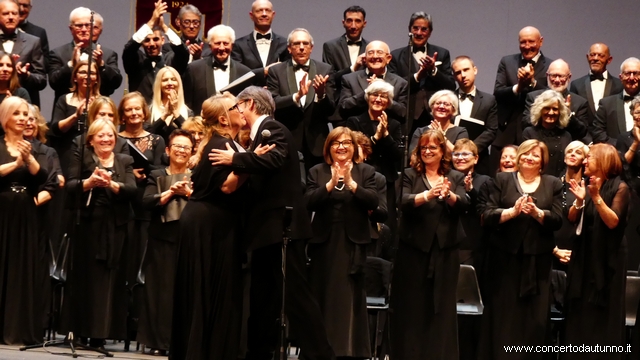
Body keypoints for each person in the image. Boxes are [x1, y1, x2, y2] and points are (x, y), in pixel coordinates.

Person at [208, 86, 335, 360]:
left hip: (283, 228)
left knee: (296, 297)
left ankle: (322, 355)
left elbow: (275, 160)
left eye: (237, 107)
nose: (235, 112)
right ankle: (259, 353)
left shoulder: (273, 129)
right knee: (262, 299)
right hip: (266, 232)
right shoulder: (255, 138)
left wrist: (236, 159)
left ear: (250, 104)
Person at [170, 93, 251, 360]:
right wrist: (251, 163)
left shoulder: (221, 143)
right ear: (222, 118)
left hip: (208, 221)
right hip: (208, 224)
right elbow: (227, 186)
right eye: (234, 107)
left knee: (203, 289)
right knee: (204, 289)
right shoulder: (220, 144)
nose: (241, 110)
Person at [479, 139, 563, 360]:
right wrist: (512, 212)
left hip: (538, 262)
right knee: (503, 314)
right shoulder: (502, 179)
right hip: (504, 258)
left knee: (534, 317)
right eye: (525, 153)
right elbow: (487, 215)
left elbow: (557, 220)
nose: (529, 157)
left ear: (542, 161)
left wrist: (536, 212)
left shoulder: (553, 183)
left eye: (535, 155)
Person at [390, 129, 468, 359]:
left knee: (442, 307)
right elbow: (401, 202)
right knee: (412, 305)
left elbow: (464, 203)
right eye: (423, 147)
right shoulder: (409, 175)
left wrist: (449, 195)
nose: (427, 151)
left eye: (433, 147)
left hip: (445, 250)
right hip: (413, 249)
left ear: (442, 151)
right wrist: (428, 195)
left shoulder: (455, 177)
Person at [59, 119, 135, 348]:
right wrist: (89, 183)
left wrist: (112, 185)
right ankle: (80, 332)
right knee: (84, 279)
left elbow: (132, 190)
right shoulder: (83, 158)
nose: (106, 139)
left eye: (110, 135)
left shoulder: (125, 160)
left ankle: (99, 334)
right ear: (90, 140)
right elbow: (70, 185)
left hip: (114, 228)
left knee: (107, 282)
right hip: (87, 226)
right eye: (100, 135)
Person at [305, 126, 377, 359]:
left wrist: (351, 184)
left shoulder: (365, 171)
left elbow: (374, 201)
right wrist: (330, 183)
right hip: (324, 243)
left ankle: (349, 350)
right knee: (322, 294)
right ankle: (320, 348)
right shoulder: (317, 171)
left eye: (346, 142)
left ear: (354, 147)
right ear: (329, 148)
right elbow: (308, 202)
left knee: (349, 298)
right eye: (336, 143)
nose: (341, 146)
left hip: (352, 243)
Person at [564, 143, 628, 359]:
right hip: (585, 256)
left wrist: (596, 197)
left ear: (603, 160)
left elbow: (613, 222)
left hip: (607, 260)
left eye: (589, 157)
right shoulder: (586, 184)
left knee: (602, 317)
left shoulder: (620, 188)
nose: (584, 161)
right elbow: (572, 219)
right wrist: (580, 201)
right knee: (579, 313)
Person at [139, 129, 194, 356]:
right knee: (159, 292)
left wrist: (189, 193)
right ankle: (158, 342)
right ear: (168, 150)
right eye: (177, 147)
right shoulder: (157, 174)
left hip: (188, 240)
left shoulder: (196, 175)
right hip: (161, 239)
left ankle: (182, 341)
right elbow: (146, 201)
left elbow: (204, 203)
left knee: (184, 292)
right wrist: (169, 193)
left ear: (192, 153)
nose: (181, 151)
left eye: (186, 148)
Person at [0, 96, 47, 344]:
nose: (22, 119)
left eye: (25, 115)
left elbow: (44, 178)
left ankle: (17, 330)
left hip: (25, 214)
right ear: (6, 117)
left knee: (20, 271)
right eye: (17, 114)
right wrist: (15, 163)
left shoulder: (31, 146)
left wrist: (28, 160)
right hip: (2, 211)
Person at [118, 92, 165, 296]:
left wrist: (143, 174)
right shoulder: (115, 139)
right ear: (122, 115)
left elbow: (162, 170)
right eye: (129, 109)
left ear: (144, 112)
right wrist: (128, 175)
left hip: (146, 204)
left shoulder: (157, 140)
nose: (134, 112)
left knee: (144, 261)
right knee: (124, 259)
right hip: (123, 205)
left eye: (137, 108)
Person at [267, 28, 335, 168]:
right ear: (289, 48)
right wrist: (296, 97)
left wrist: (321, 95)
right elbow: (272, 103)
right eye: (297, 44)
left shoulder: (325, 70)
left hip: (317, 143)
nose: (302, 48)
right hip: (286, 140)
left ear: (311, 47)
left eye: (306, 43)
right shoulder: (276, 71)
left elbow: (331, 110)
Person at [23, 103, 63, 331]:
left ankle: (32, 323)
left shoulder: (48, 152)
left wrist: (31, 204)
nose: (28, 122)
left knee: (34, 270)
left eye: (32, 118)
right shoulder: (5, 146)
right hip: (10, 216)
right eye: (23, 117)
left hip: (36, 218)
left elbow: (54, 183)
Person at [346, 80, 401, 235]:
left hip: (386, 181)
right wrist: (376, 137)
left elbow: (398, 157)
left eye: (383, 96)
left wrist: (387, 136)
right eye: (374, 95)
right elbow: (354, 152)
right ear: (367, 97)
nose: (378, 99)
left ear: (389, 102)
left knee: (384, 223)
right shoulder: (354, 121)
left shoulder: (395, 124)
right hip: (360, 177)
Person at [492, 26, 553, 169]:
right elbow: (498, 93)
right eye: (522, 42)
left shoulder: (550, 65)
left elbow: (553, 97)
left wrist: (532, 83)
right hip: (505, 131)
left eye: (531, 42)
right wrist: (518, 87)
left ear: (541, 41)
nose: (527, 46)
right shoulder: (507, 62)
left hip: (534, 132)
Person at [388, 11, 455, 133]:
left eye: (424, 29)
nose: (419, 33)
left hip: (435, 116)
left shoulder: (442, 53)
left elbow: (451, 85)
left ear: (430, 32)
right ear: (409, 30)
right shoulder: (396, 56)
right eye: (415, 28)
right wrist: (417, 77)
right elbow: (394, 87)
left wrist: (433, 71)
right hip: (407, 116)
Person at [48, 6, 121, 108]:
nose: (84, 29)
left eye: (87, 25)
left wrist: (102, 65)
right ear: (71, 29)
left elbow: (116, 83)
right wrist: (71, 64)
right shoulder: (57, 53)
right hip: (67, 111)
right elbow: (54, 83)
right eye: (79, 26)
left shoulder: (108, 54)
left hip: (99, 110)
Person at [122, 0, 188, 103]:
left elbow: (183, 52)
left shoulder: (170, 60)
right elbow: (129, 49)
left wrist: (165, 28)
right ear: (142, 43)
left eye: (156, 39)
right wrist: (151, 22)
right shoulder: (136, 62)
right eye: (147, 40)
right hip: (142, 115)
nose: (152, 44)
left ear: (163, 40)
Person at [182, 24, 252, 115]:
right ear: (210, 46)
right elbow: (187, 103)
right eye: (217, 43)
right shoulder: (194, 69)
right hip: (201, 126)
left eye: (226, 43)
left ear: (232, 46)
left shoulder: (244, 72)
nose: (222, 48)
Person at [48, 60, 100, 174]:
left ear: (96, 78)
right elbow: (56, 128)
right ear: (75, 77)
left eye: (91, 73)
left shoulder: (102, 101)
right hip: (68, 152)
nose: (87, 76)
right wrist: (76, 116)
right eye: (83, 72)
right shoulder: (64, 99)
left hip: (95, 154)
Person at [339, 40, 408, 125]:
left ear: (388, 58)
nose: (375, 56)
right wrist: (367, 91)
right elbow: (343, 108)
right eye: (371, 53)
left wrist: (385, 95)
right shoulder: (349, 79)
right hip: (356, 133)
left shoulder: (400, 83)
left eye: (379, 52)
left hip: (388, 133)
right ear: (365, 58)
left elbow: (402, 113)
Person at [523, 59, 591, 142]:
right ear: (547, 75)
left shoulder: (580, 102)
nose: (557, 80)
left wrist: (568, 114)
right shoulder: (534, 97)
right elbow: (525, 124)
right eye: (553, 76)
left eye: (561, 76)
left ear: (569, 77)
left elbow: (582, 133)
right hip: (537, 147)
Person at [451, 55, 498, 175]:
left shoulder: (489, 100)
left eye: (466, 70)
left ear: (475, 70)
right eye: (458, 72)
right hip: (452, 161)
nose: (463, 75)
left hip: (479, 160)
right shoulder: (448, 100)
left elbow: (491, 130)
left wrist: (470, 151)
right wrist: (458, 152)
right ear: (454, 76)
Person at [231, 0, 290, 86]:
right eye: (259, 10)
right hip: (249, 96)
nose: (264, 14)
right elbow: (237, 75)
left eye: (267, 10)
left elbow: (288, 75)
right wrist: (264, 71)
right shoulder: (238, 45)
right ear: (251, 16)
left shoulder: (285, 44)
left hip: (276, 97)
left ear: (273, 15)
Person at [552, 141, 589, 269]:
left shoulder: (589, 188)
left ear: (585, 160)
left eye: (578, 153)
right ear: (564, 158)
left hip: (580, 252)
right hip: (554, 249)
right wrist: (555, 250)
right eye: (569, 151)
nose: (572, 154)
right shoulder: (553, 184)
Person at [0, 0, 45, 106]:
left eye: (14, 13)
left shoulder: (33, 42)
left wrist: (26, 75)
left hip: (24, 104)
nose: (11, 17)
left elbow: (42, 80)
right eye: (6, 13)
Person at [322, 5, 368, 107]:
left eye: (358, 21)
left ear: (364, 23)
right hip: (339, 107)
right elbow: (330, 79)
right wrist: (353, 68)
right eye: (349, 21)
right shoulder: (330, 46)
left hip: (364, 107)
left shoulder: (371, 49)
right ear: (343, 23)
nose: (353, 26)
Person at [523, 89, 572, 176]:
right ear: (540, 110)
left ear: (560, 112)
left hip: (559, 183)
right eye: (547, 108)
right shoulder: (529, 133)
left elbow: (567, 165)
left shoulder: (566, 136)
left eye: (555, 109)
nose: (551, 112)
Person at [592, 57, 640, 144]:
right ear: (621, 77)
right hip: (616, 154)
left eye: (636, 73)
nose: (632, 78)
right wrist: (620, 147)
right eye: (628, 73)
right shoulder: (606, 104)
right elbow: (598, 133)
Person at [570, 43, 624, 114]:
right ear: (587, 57)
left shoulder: (619, 85)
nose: (595, 58)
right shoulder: (576, 85)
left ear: (609, 60)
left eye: (601, 56)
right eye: (592, 55)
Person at [149, 66, 193, 144]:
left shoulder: (188, 112)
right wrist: (164, 116)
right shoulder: (149, 111)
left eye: (173, 79)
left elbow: (191, 136)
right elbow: (147, 135)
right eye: (165, 80)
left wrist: (176, 114)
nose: (170, 83)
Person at [615, 97, 640, 193]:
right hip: (632, 188)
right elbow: (621, 164)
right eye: (637, 112)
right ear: (632, 114)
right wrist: (636, 142)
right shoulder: (623, 137)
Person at [17, 0, 49, 70]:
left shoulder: (39, 32)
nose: (21, 9)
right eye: (18, 5)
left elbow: (45, 63)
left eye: (25, 6)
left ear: (30, 8)